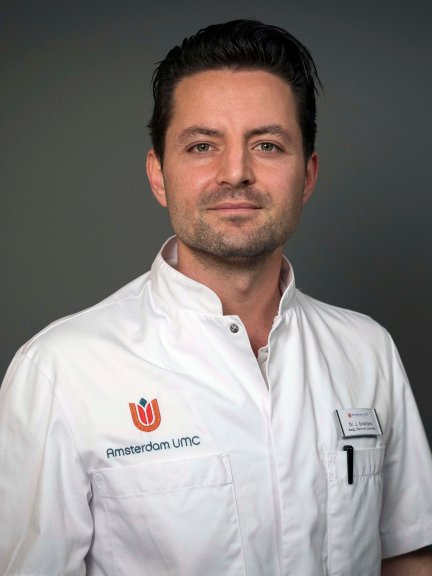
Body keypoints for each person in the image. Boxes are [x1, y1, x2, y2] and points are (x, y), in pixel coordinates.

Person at [0, 19, 431, 576]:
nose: (236, 173)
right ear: (159, 175)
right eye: (202, 146)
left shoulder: (367, 350)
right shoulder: (61, 372)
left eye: (267, 145)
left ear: (307, 175)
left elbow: (408, 553)